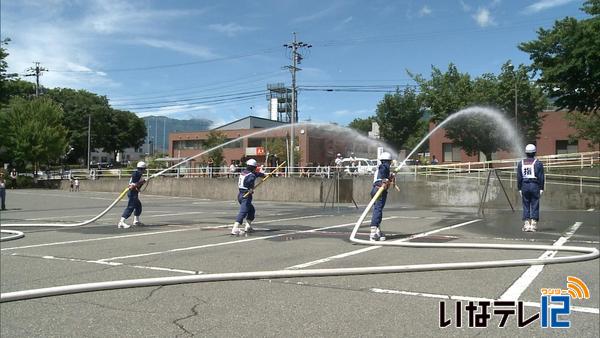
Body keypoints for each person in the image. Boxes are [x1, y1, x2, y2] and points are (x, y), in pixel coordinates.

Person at [231, 159, 266, 235]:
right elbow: (249, 181)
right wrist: (249, 189)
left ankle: (248, 226)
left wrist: (263, 175)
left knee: (251, 210)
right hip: (245, 195)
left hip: (240, 194)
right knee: (243, 211)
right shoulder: (251, 175)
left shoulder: (244, 172)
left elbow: (256, 174)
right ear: (253, 167)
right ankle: (235, 228)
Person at [517, 144, 545, 232]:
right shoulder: (538, 163)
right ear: (534, 152)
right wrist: (541, 188)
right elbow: (541, 177)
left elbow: (519, 177)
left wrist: (519, 188)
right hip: (534, 185)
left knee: (525, 204)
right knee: (535, 204)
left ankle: (526, 224)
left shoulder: (520, 163)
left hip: (524, 185)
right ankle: (533, 224)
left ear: (526, 153)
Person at [370, 151, 395, 241]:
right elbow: (383, 170)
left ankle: (377, 231)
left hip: (376, 190)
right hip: (379, 190)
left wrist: (390, 177)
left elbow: (385, 178)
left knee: (378, 209)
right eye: (389, 162)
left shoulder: (381, 169)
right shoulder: (384, 166)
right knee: (378, 209)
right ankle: (373, 232)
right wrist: (385, 180)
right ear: (388, 161)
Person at [118, 161, 147, 229]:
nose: (144, 170)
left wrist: (142, 182)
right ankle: (121, 222)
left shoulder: (138, 174)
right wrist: (142, 182)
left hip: (134, 192)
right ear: (142, 169)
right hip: (132, 192)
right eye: (144, 169)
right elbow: (133, 185)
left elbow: (136, 184)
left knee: (138, 206)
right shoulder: (137, 174)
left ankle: (136, 221)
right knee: (131, 207)